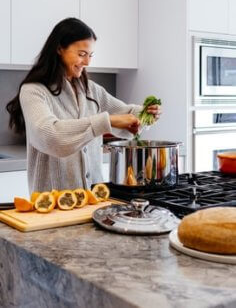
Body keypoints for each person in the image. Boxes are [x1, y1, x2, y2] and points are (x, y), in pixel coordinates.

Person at [6, 18, 161, 194]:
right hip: (52, 204)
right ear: (59, 49)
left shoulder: (91, 90)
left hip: (94, 198)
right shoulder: (33, 91)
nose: (87, 62)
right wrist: (107, 121)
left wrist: (147, 113)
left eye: (90, 55)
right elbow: (51, 136)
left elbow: (127, 114)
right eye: (81, 54)